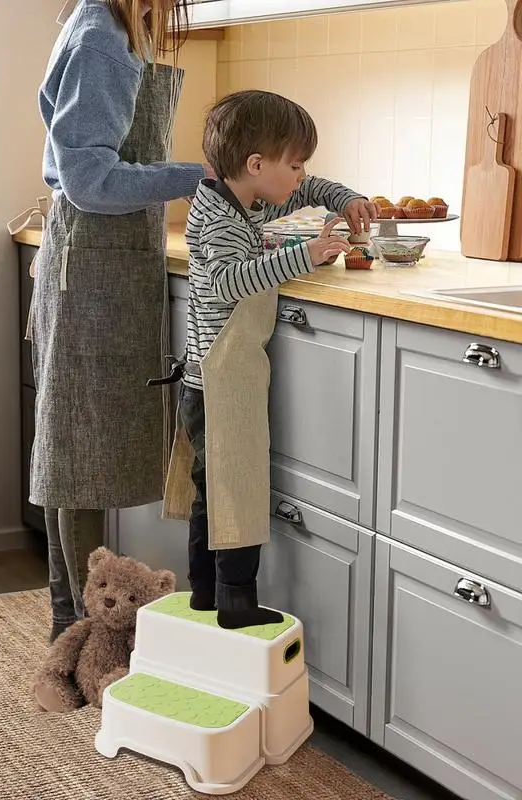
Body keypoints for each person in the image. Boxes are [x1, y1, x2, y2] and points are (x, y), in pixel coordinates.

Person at [30, 0, 212, 643]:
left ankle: (72, 630)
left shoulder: (96, 27)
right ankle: (83, 631)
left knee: (72, 454)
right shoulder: (103, 42)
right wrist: (200, 177)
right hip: (93, 268)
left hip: (95, 260)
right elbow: (88, 178)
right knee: (79, 455)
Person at [170, 90, 377, 629]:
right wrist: (303, 255)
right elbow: (228, 282)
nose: (302, 174)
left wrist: (347, 197)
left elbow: (309, 190)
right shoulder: (219, 219)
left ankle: (206, 593)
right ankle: (235, 602)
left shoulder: (247, 197)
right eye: (295, 161)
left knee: (213, 490)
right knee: (236, 484)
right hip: (219, 379)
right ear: (257, 165)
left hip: (212, 375)